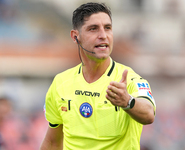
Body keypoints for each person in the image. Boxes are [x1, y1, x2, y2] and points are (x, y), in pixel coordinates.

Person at [40, 2, 156, 150]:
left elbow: (148, 114)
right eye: (93, 29)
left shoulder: (128, 79)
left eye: (108, 28)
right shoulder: (61, 82)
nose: (103, 35)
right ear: (76, 37)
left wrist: (128, 101)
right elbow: (53, 142)